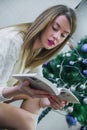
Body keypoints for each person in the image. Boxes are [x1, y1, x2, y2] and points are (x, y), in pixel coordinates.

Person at [0, 4, 77, 130]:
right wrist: (19, 90)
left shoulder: (36, 49)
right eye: (55, 28)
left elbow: (39, 83)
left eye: (63, 35)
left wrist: (49, 100)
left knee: (35, 97)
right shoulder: (13, 42)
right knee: (27, 121)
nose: (57, 37)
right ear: (44, 22)